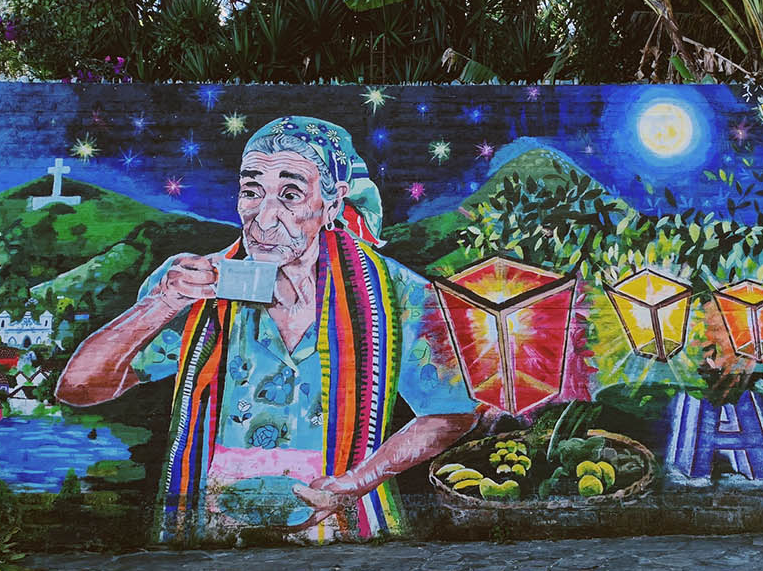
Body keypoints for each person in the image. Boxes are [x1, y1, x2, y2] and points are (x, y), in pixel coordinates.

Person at [56, 116, 479, 541]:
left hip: (343, 525)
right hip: (212, 529)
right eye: (251, 191)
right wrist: (161, 304)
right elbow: (79, 388)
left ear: (332, 204)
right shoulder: (195, 283)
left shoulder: (393, 292)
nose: (263, 219)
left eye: (290, 194)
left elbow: (452, 411)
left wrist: (355, 484)